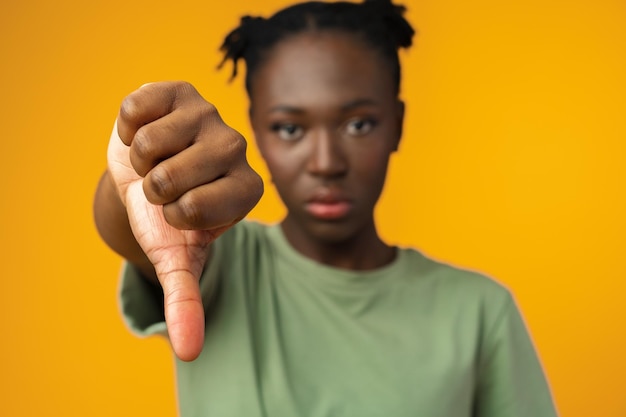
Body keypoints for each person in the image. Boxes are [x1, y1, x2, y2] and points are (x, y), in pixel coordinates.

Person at [93, 0, 559, 415]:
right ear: (254, 130)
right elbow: (128, 229)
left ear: (397, 125)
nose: (326, 163)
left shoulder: (478, 311)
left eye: (358, 124)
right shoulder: (216, 258)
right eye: (290, 129)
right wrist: (143, 183)